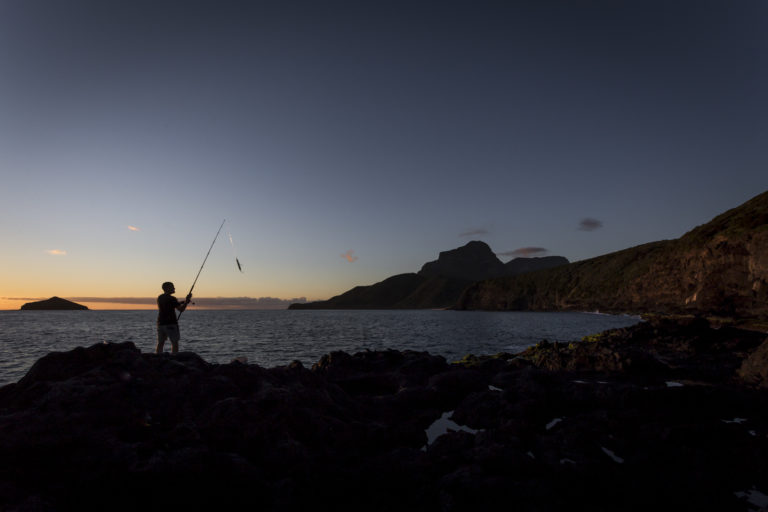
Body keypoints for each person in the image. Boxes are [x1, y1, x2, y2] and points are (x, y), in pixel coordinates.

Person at [156, 282, 192, 354]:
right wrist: (186, 302)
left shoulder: (160, 297)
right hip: (171, 324)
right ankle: (174, 358)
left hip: (160, 324)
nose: (174, 288)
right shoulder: (172, 298)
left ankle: (158, 357)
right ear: (167, 288)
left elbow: (170, 305)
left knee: (160, 343)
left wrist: (182, 302)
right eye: (172, 287)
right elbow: (181, 309)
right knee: (174, 343)